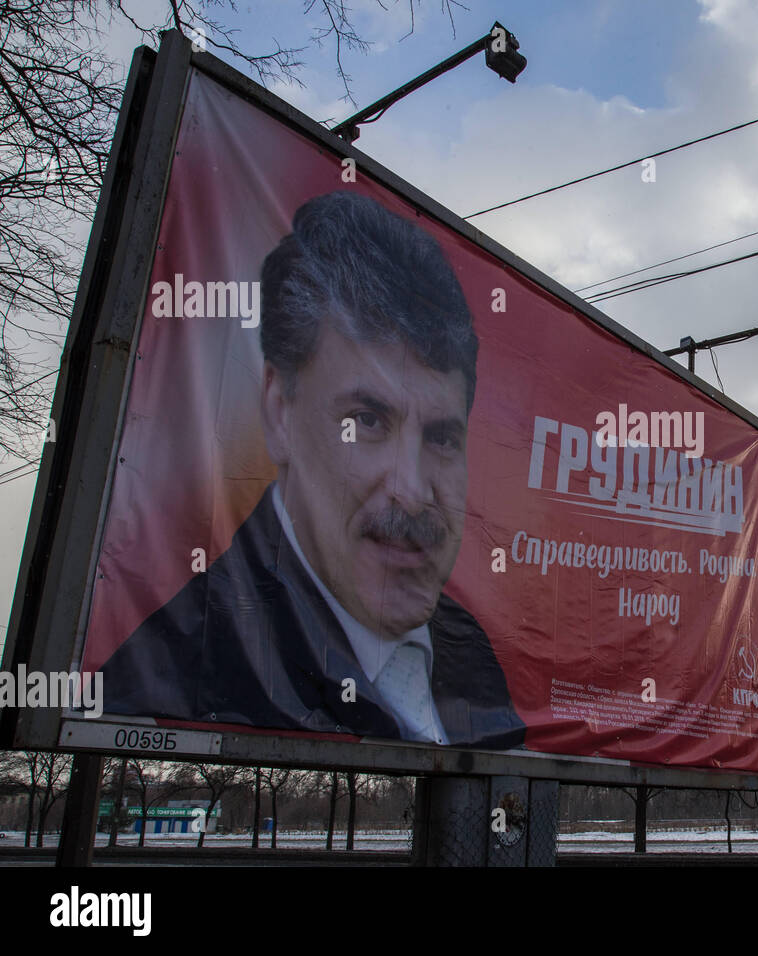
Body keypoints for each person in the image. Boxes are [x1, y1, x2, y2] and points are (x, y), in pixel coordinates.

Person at [99, 190, 524, 750]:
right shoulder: (168, 675)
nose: (413, 492)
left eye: (442, 437)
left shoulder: (471, 651)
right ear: (280, 413)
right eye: (368, 420)